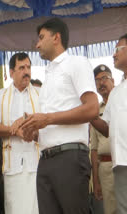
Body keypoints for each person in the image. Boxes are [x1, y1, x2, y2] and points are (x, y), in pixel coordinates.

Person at [20, 17, 99, 214]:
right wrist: (33, 131)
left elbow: (92, 108)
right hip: (46, 159)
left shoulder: (76, 63)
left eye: (41, 37)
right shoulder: (48, 78)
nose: (37, 44)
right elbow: (52, 125)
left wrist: (47, 119)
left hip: (70, 158)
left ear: (56, 38)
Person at [0, 52, 39, 214]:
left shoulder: (40, 93)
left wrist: (32, 131)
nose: (27, 71)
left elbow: (47, 127)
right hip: (12, 165)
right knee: (14, 209)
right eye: (22, 67)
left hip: (36, 164)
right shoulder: (1, 96)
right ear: (11, 73)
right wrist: (15, 131)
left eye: (29, 67)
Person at [90, 33, 127, 214]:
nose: (114, 55)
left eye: (118, 49)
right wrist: (88, 113)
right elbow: (106, 129)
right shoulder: (117, 92)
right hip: (120, 165)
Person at [90, 64, 116, 214]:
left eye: (104, 78)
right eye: (97, 80)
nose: (101, 83)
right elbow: (94, 149)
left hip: (123, 162)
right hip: (105, 168)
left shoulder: (122, 101)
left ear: (113, 79)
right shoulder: (94, 112)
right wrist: (96, 180)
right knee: (111, 211)